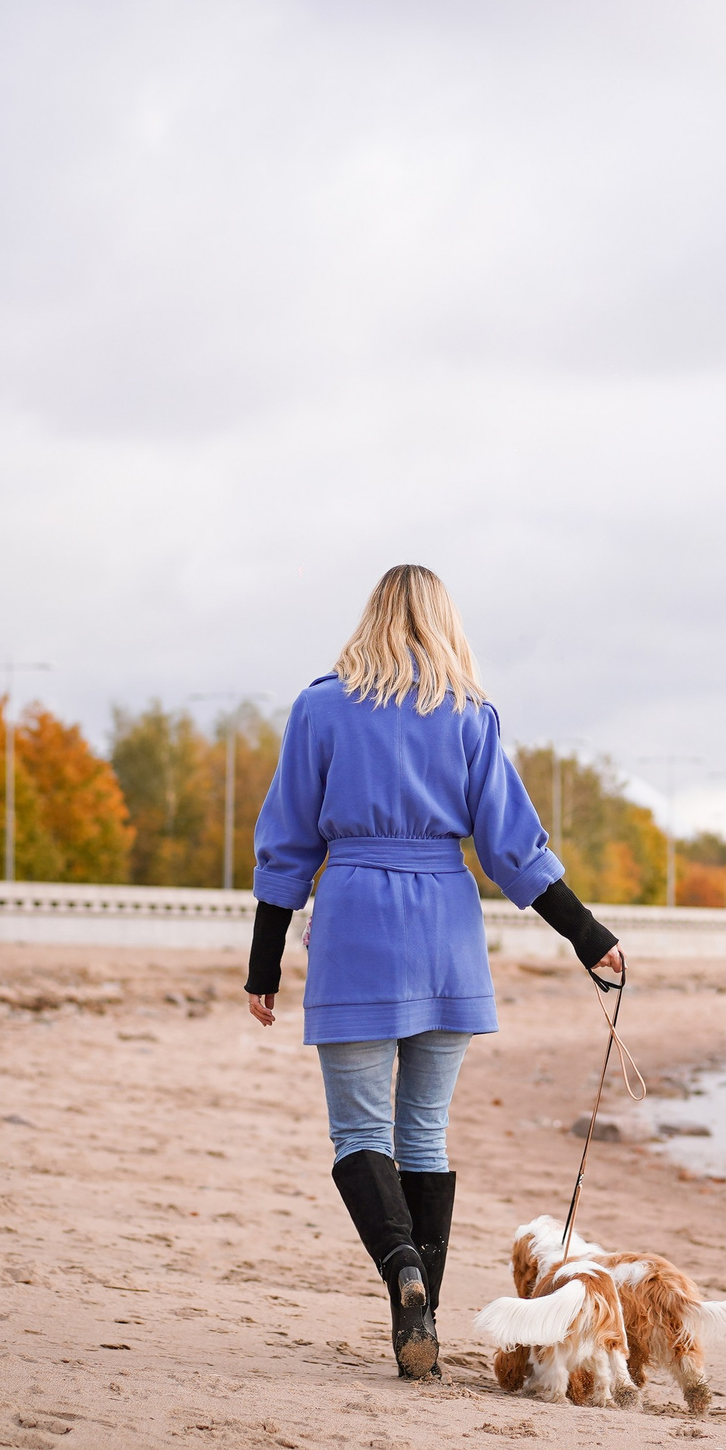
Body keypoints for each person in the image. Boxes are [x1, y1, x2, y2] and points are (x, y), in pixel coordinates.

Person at [243, 564, 623, 1380]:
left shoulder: (320, 707)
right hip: (445, 930)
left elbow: (286, 839)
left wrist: (263, 960)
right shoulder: (469, 714)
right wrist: (586, 934)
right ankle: (425, 1322)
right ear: (445, 621)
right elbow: (512, 847)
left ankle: (402, 1273)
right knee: (422, 1130)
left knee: (360, 1133)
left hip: (356, 924)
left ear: (371, 616)